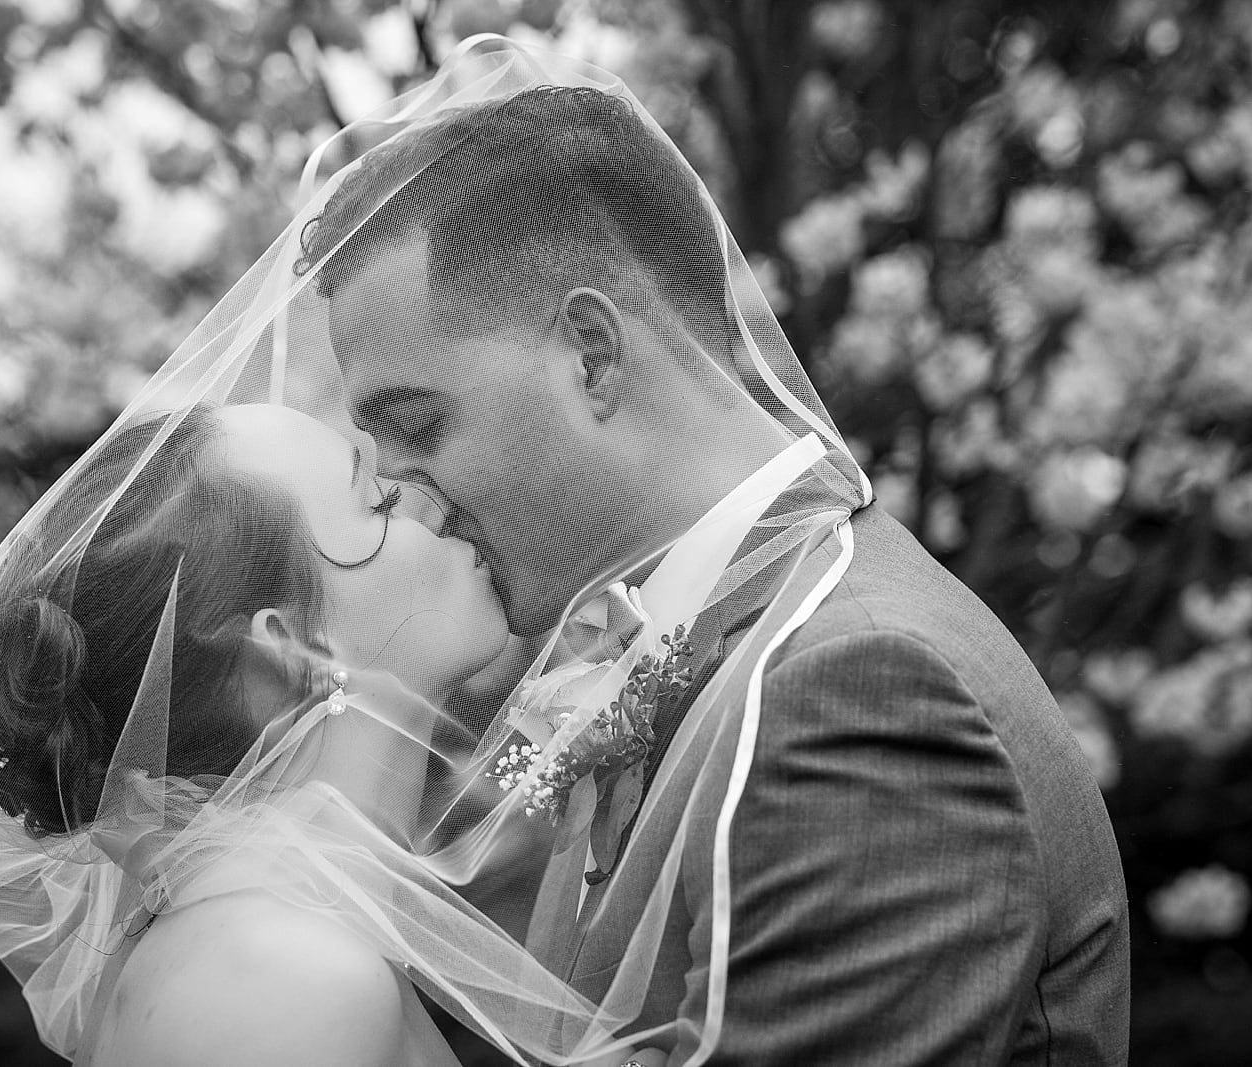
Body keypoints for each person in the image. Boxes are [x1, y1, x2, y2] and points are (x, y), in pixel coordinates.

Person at [303, 37, 1131, 1066]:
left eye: (420, 425)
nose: (401, 492)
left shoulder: (859, 689)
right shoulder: (652, 665)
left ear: (592, 353)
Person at [0, 402, 665, 1066]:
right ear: (291, 647)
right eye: (378, 505)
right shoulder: (285, 974)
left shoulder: (263, 934)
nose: (430, 500)